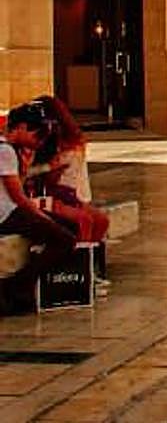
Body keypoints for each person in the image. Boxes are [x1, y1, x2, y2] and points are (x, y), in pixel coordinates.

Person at [0, 101, 77, 315]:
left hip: (10, 210)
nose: (39, 140)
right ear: (22, 127)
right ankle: (16, 286)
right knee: (65, 239)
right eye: (37, 134)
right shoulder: (4, 151)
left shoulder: (10, 150)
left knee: (68, 227)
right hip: (6, 215)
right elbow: (18, 197)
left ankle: (26, 287)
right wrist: (44, 218)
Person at [26, 96, 110, 243]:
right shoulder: (36, 141)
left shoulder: (67, 141)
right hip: (47, 194)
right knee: (83, 221)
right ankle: (79, 260)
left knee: (101, 221)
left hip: (66, 194)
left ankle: (88, 257)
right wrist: (49, 167)